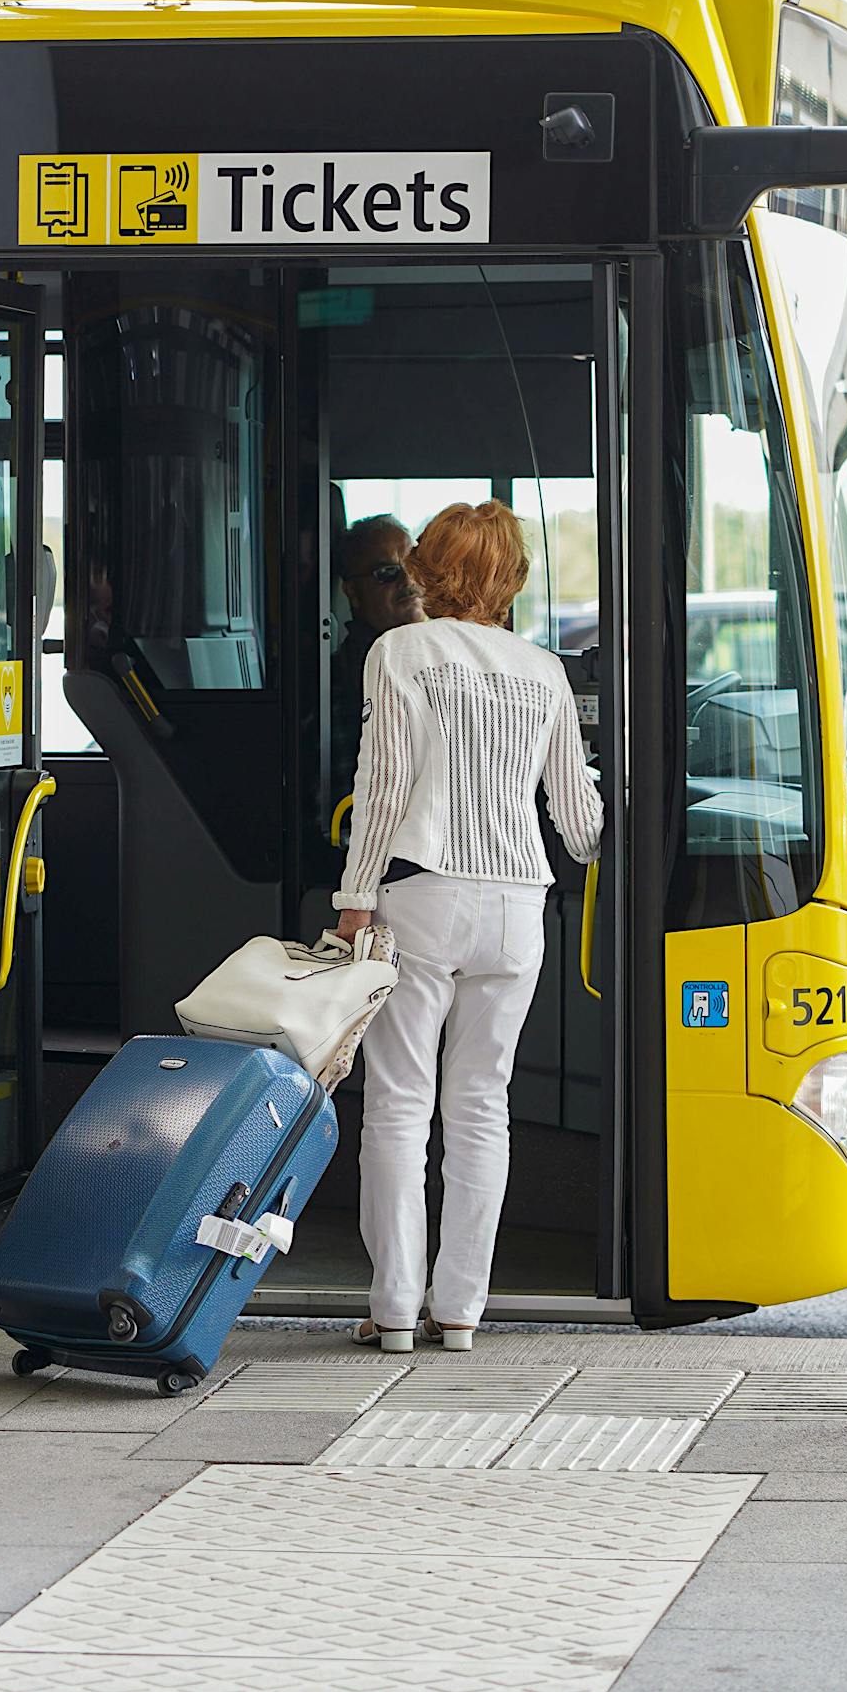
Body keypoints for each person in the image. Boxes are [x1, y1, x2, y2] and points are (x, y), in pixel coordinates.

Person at [333, 500, 602, 1354]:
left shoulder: (400, 652)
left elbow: (381, 789)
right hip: (520, 906)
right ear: (510, 579)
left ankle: (394, 1308)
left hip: (425, 895)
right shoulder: (544, 670)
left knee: (399, 1105)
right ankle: (459, 1310)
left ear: (427, 569)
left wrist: (353, 898)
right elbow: (581, 825)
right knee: (484, 1105)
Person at [329, 515, 426, 802]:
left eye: (413, 565)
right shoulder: (343, 680)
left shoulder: (435, 659)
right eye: (387, 572)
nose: (408, 580)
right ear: (352, 592)